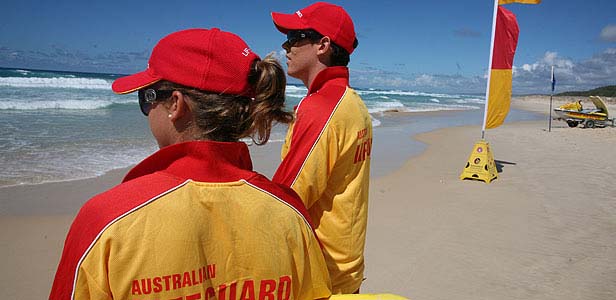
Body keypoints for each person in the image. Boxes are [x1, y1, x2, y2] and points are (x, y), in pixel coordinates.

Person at [49, 28, 331, 300]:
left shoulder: (106, 221)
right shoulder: (290, 212)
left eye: (145, 99)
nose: (147, 112)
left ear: (175, 104)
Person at [270, 2, 372, 294]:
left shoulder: (322, 107)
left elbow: (285, 202)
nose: (286, 46)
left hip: (320, 274)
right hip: (346, 266)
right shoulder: (354, 104)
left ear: (323, 45)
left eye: (294, 38)